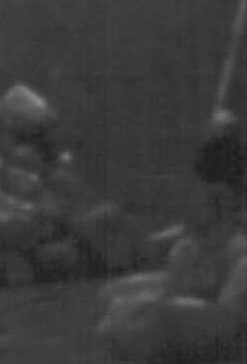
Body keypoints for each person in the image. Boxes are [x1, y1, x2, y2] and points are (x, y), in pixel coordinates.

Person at [98, 113, 247, 361]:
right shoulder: (191, 243)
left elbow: (227, 314)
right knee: (117, 300)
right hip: (212, 290)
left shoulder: (235, 246)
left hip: (228, 311)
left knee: (150, 317)